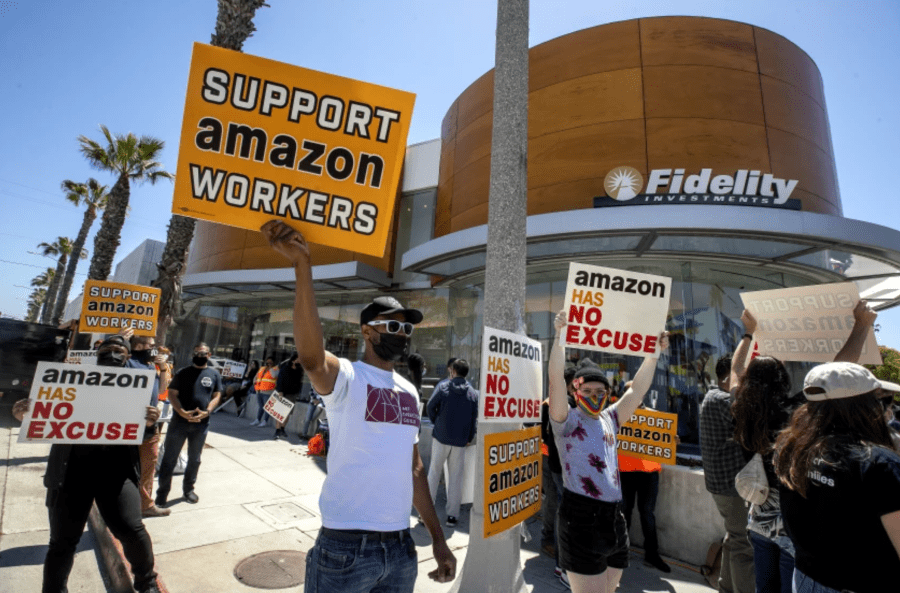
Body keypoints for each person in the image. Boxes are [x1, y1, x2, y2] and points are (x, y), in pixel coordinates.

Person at [262, 219, 455, 592]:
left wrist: (438, 538)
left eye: (407, 330)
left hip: (400, 550)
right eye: (392, 327)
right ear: (367, 331)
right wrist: (303, 267)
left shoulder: (409, 392)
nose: (401, 336)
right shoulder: (347, 376)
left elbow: (415, 469)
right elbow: (313, 358)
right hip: (344, 550)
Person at [731, 301, 876, 593]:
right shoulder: (794, 415)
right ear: (782, 381)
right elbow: (834, 373)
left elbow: (735, 370)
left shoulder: (739, 410)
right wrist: (861, 326)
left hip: (758, 520)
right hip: (791, 527)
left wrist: (748, 334)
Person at [548, 309, 668, 593]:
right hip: (579, 518)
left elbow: (637, 391)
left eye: (600, 391)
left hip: (614, 517)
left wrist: (653, 355)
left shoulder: (610, 418)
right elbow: (554, 381)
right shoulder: (566, 420)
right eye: (587, 391)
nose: (594, 396)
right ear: (575, 392)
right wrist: (559, 338)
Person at [40, 335, 162, 593]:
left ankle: (147, 583)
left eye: (120, 350)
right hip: (71, 472)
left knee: (132, 529)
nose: (114, 353)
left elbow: (143, 435)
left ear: (128, 356)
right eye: (108, 348)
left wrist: (150, 423)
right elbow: (46, 415)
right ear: (97, 351)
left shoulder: (138, 385)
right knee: (62, 542)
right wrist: (25, 412)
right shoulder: (73, 380)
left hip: (116, 473)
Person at [774, 362, 900, 593]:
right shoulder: (878, 464)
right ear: (863, 405)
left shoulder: (791, 450)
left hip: (806, 579)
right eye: (878, 399)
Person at [698, 353, 755, 593]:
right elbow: (748, 428)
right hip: (729, 485)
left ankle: (725, 587)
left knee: (733, 538)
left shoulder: (712, 396)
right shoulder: (721, 399)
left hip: (722, 483)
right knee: (742, 544)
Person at [155, 343, 222, 506]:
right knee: (169, 459)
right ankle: (162, 494)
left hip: (201, 424)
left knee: (195, 459)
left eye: (203, 353)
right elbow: (172, 394)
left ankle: (188, 490)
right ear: (193, 354)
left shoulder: (214, 374)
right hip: (179, 423)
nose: (200, 355)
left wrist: (207, 411)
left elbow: (217, 395)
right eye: (197, 353)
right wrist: (181, 412)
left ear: (209, 354)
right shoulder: (182, 373)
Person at [124, 331, 172, 518]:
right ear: (139, 346)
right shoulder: (127, 362)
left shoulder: (151, 366)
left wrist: (162, 367)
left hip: (150, 426)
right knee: (127, 468)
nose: (154, 349)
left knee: (148, 466)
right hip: (129, 425)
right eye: (151, 345)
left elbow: (162, 389)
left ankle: (146, 504)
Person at [426, 358, 478, 527]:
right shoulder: (473, 393)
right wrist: (469, 437)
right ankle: (452, 516)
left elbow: (430, 407)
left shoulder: (443, 387)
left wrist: (437, 423)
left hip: (441, 437)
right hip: (460, 441)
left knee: (434, 473)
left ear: (453, 371)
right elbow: (473, 419)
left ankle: (426, 513)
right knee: (456, 478)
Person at [541, 365, 576, 586]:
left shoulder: (557, 401)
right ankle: (549, 541)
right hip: (554, 462)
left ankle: (551, 541)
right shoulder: (555, 403)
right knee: (556, 505)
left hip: (554, 461)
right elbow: (548, 434)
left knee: (556, 504)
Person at [273, 352, 305, 440]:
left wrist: (298, 391)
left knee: (287, 414)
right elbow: (280, 379)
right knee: (280, 413)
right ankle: (277, 430)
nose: (300, 360)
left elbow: (300, 382)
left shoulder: (299, 369)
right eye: (299, 359)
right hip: (283, 393)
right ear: (294, 359)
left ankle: (282, 429)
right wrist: (280, 391)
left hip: (293, 394)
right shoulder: (285, 368)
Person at [250, 357, 277, 427]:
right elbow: (256, 376)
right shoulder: (262, 368)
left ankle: (265, 421)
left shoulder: (275, 369)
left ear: (273, 362)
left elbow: (274, 375)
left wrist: (270, 367)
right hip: (259, 390)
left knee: (267, 407)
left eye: (270, 362)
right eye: (267, 362)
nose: (268, 363)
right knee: (260, 406)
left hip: (268, 391)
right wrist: (254, 382)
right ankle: (258, 420)